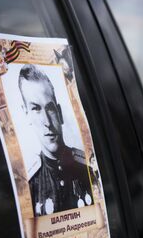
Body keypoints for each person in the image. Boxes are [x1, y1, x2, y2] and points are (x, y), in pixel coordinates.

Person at [18, 64, 93, 216]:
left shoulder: (89, 168)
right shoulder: (29, 183)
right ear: (26, 114)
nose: (47, 122)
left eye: (50, 108)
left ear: (59, 112)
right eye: (36, 109)